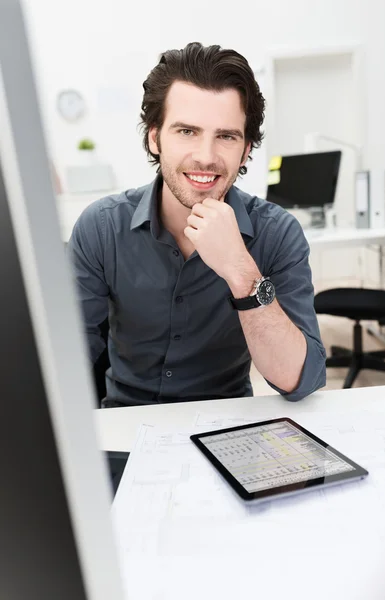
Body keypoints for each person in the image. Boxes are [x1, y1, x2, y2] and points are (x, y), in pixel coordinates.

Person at [67, 42, 326, 407]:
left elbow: (299, 380)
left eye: (226, 136)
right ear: (154, 138)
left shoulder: (277, 234)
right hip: (124, 422)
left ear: (247, 148)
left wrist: (240, 270)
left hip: (227, 427)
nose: (205, 157)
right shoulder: (101, 227)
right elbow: (65, 355)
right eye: (187, 131)